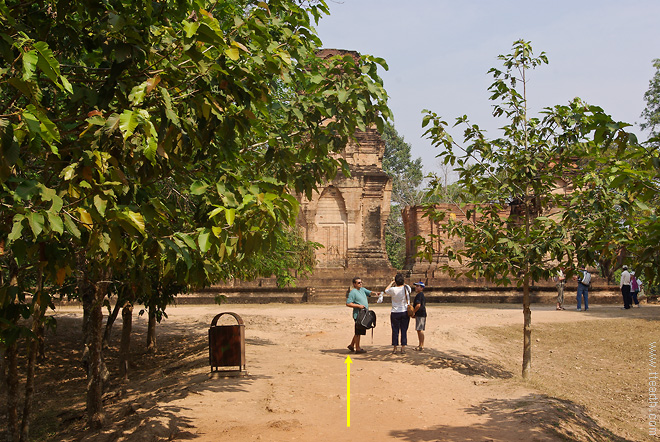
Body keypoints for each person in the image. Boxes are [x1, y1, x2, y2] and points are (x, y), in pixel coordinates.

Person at [346, 277, 381, 354]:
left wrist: (375, 293)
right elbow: (348, 303)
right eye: (358, 283)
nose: (360, 284)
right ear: (354, 284)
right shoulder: (353, 292)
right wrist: (358, 306)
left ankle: (352, 345)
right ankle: (357, 348)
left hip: (364, 313)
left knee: (359, 330)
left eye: (361, 282)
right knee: (358, 331)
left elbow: (369, 292)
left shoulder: (362, 290)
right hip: (358, 314)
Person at [384, 273, 411, 354]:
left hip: (395, 312)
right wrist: (403, 283)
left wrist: (391, 283)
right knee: (404, 330)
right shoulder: (407, 288)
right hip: (405, 311)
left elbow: (386, 290)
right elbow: (407, 287)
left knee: (395, 330)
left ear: (395, 281)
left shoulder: (393, 289)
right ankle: (403, 348)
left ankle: (395, 348)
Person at [411, 281, 427, 351]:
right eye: (416, 286)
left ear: (421, 288)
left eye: (418, 286)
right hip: (421, 314)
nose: (416, 287)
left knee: (420, 330)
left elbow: (418, 305)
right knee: (419, 329)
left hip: (420, 314)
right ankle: (420, 344)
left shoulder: (419, 295)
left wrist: (413, 312)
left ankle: (421, 345)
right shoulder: (420, 295)